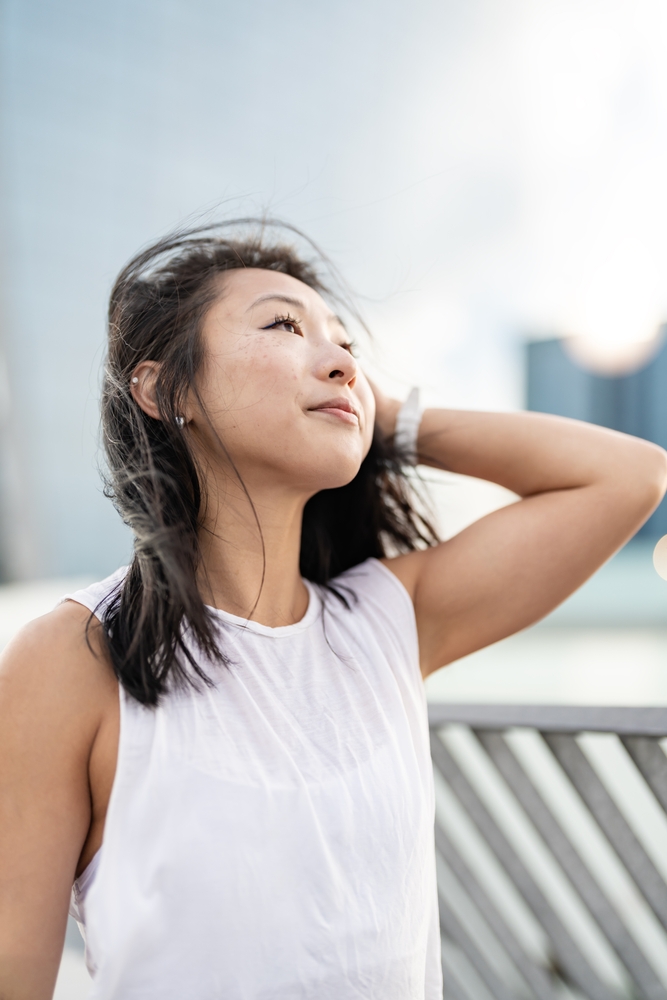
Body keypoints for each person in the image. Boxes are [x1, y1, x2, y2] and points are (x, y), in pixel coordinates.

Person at [0, 222, 665, 1000]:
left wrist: (389, 418)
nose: (341, 360)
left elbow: (630, 477)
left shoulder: (387, 618)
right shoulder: (73, 657)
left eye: (346, 345)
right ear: (164, 389)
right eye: (283, 325)